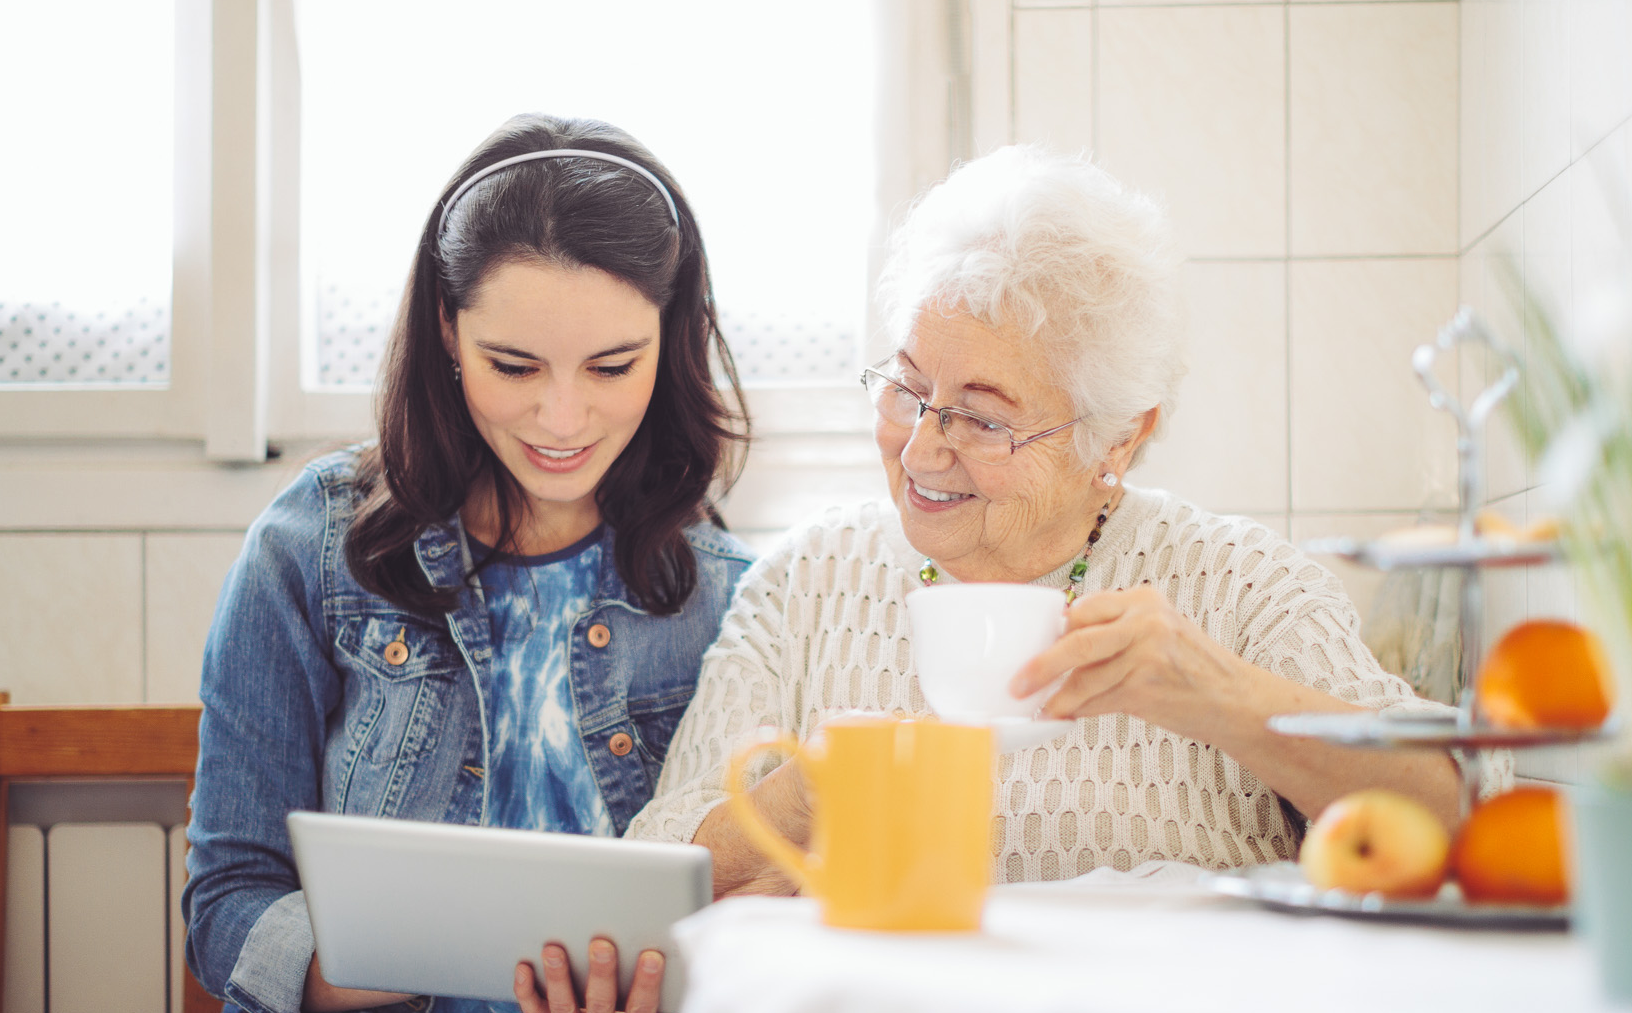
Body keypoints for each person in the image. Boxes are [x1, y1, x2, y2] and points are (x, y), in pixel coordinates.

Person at [0, 114, 752, 1013]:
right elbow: (228, 904)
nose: (563, 418)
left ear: (673, 339)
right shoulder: (309, 548)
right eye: (515, 366)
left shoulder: (729, 596)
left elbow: (748, 936)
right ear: (447, 335)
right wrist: (379, 948)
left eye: (612, 365)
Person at [628, 145, 1502, 891]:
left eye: (983, 415)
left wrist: (1224, 699)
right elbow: (655, 871)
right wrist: (803, 796)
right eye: (907, 387)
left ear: (1116, 442)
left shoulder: (1236, 583)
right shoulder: (808, 578)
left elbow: (1463, 814)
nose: (923, 448)